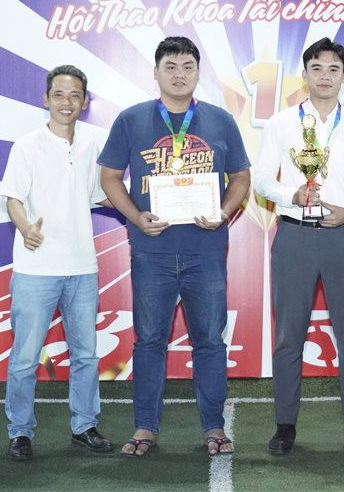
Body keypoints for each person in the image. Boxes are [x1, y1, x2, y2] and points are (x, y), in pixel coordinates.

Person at [98, 36, 251, 458]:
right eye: (170, 66)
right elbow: (109, 176)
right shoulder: (131, 120)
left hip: (206, 250)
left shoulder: (220, 120)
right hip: (152, 252)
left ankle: (214, 425)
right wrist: (136, 217)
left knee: (210, 341)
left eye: (187, 66)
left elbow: (241, 177)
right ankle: (145, 427)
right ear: (156, 72)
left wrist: (223, 212)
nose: (179, 74)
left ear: (198, 73)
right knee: (149, 341)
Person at [254, 37, 344, 455]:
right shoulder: (281, 123)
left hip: (343, 237)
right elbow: (262, 180)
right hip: (294, 235)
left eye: (333, 69)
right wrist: (291, 195)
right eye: (317, 68)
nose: (325, 76)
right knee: (288, 335)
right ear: (304, 74)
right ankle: (285, 426)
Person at [0, 64, 113, 461]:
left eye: (75, 95)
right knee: (25, 357)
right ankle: (20, 432)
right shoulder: (26, 146)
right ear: (45, 99)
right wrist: (25, 227)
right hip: (35, 269)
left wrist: (144, 208)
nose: (67, 102)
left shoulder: (91, 146)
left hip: (82, 267)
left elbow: (103, 195)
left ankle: (84, 426)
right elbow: (12, 198)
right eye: (59, 94)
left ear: (84, 102)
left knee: (86, 355)